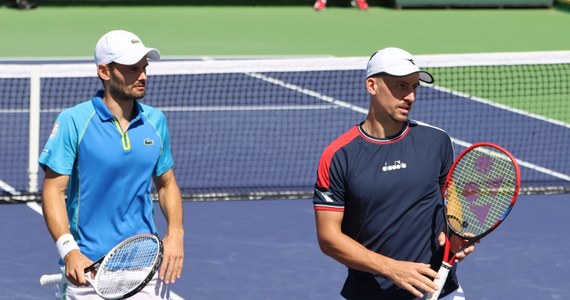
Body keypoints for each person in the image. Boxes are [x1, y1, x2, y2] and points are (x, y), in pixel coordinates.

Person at [312, 47, 475, 299]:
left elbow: (450, 200)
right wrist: (392, 269)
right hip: (370, 293)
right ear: (372, 85)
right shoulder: (339, 155)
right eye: (400, 86)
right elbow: (328, 238)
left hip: (440, 290)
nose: (410, 96)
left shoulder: (437, 141)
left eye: (414, 87)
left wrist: (457, 233)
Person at [39, 30, 184, 299]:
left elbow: (166, 184)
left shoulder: (156, 122)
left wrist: (175, 232)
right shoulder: (74, 121)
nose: (142, 76)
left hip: (145, 269)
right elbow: (53, 190)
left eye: (144, 68)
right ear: (105, 72)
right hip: (89, 271)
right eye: (131, 69)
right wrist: (69, 251)